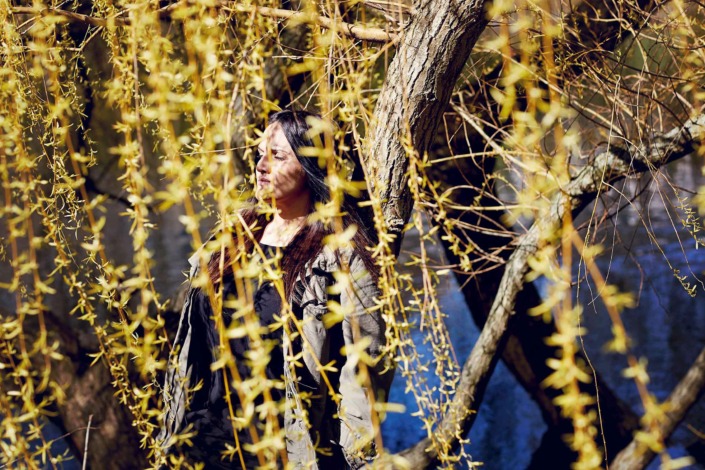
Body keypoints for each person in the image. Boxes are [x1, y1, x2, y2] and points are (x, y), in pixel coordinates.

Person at [157, 110, 394, 469]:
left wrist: (355, 457)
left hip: (285, 450)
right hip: (207, 445)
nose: (261, 165)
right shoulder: (233, 235)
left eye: (277, 156)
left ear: (312, 166)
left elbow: (366, 369)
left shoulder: (341, 256)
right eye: (259, 153)